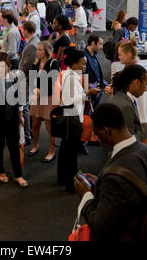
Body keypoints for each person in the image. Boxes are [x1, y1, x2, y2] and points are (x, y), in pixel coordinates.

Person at [73, 103, 147, 241]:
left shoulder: (114, 176)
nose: (99, 141)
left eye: (97, 134)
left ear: (107, 131)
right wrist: (101, 184)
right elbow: (130, 193)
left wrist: (86, 195)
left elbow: (100, 226)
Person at [0, 52, 28, 188]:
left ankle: (18, 175)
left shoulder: (14, 79)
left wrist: (20, 115)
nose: (0, 69)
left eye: (3, 66)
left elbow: (19, 98)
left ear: (9, 66)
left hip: (12, 119)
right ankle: (0, 171)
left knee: (14, 147)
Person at [58, 49, 100, 192]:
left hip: (69, 116)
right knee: (70, 153)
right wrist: (87, 93)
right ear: (74, 64)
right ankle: (71, 184)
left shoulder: (69, 75)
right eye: (83, 64)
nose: (85, 67)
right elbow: (70, 99)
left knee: (65, 150)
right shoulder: (70, 78)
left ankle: (62, 178)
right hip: (73, 117)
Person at [109, 65, 147, 142]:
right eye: (145, 85)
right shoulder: (125, 107)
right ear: (136, 82)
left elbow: (132, 127)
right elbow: (131, 140)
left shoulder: (119, 95)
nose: (145, 90)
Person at [29, 41, 60, 163]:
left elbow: (53, 80)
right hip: (37, 96)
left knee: (49, 126)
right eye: (37, 49)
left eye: (40, 50)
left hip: (49, 97)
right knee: (35, 125)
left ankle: (52, 151)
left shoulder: (54, 63)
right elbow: (31, 79)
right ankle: (35, 146)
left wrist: (40, 91)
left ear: (46, 51)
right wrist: (34, 90)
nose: (37, 52)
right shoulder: (36, 63)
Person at [19, 21, 40, 144]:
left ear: (26, 30)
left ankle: (27, 136)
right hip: (29, 78)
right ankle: (29, 133)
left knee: (24, 108)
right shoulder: (34, 41)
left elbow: (26, 65)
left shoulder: (32, 45)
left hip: (27, 80)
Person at [84, 35, 104, 109]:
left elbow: (97, 72)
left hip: (97, 86)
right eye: (100, 44)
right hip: (90, 90)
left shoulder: (94, 54)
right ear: (93, 43)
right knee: (89, 112)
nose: (102, 47)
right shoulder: (84, 57)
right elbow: (82, 75)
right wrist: (88, 90)